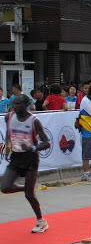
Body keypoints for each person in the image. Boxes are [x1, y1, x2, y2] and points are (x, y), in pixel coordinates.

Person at [1, 95, 51, 232]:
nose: (15, 106)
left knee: (29, 195)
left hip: (30, 157)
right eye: (13, 103)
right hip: (16, 157)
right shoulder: (9, 117)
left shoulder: (34, 121)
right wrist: (7, 147)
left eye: (18, 104)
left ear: (26, 105)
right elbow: (8, 134)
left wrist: (32, 148)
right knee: (5, 187)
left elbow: (47, 142)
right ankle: (26, 188)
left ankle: (41, 221)